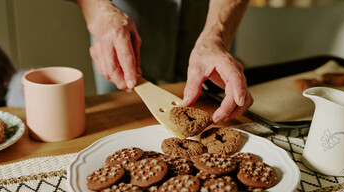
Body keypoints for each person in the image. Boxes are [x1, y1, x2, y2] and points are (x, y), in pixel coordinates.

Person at [75, 0, 253, 124]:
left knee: (220, 110)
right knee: (117, 118)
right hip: (121, 33)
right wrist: (100, 13)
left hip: (211, 25)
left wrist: (217, 37)